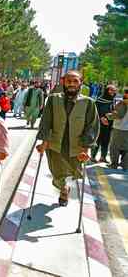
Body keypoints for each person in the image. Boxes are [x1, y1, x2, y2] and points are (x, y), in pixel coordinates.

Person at [37, 71, 100, 206]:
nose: (71, 84)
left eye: (75, 81)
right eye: (68, 81)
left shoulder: (89, 103)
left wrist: (85, 149)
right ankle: (63, 189)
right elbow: (46, 122)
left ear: (80, 83)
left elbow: (92, 127)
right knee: (57, 173)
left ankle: (65, 187)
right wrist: (44, 143)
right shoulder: (54, 99)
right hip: (55, 145)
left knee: (74, 173)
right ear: (63, 82)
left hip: (77, 147)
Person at [91, 85, 116, 163]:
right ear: (106, 91)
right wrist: (101, 117)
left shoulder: (112, 101)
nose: (112, 92)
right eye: (111, 90)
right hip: (99, 124)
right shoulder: (99, 100)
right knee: (97, 141)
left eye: (114, 90)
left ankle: (103, 157)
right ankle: (93, 156)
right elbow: (94, 111)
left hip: (108, 124)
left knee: (106, 141)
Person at [108, 88, 128, 170]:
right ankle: (125, 165)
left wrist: (109, 115)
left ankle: (114, 164)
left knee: (114, 147)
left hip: (120, 128)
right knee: (126, 148)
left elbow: (118, 115)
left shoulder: (122, 103)